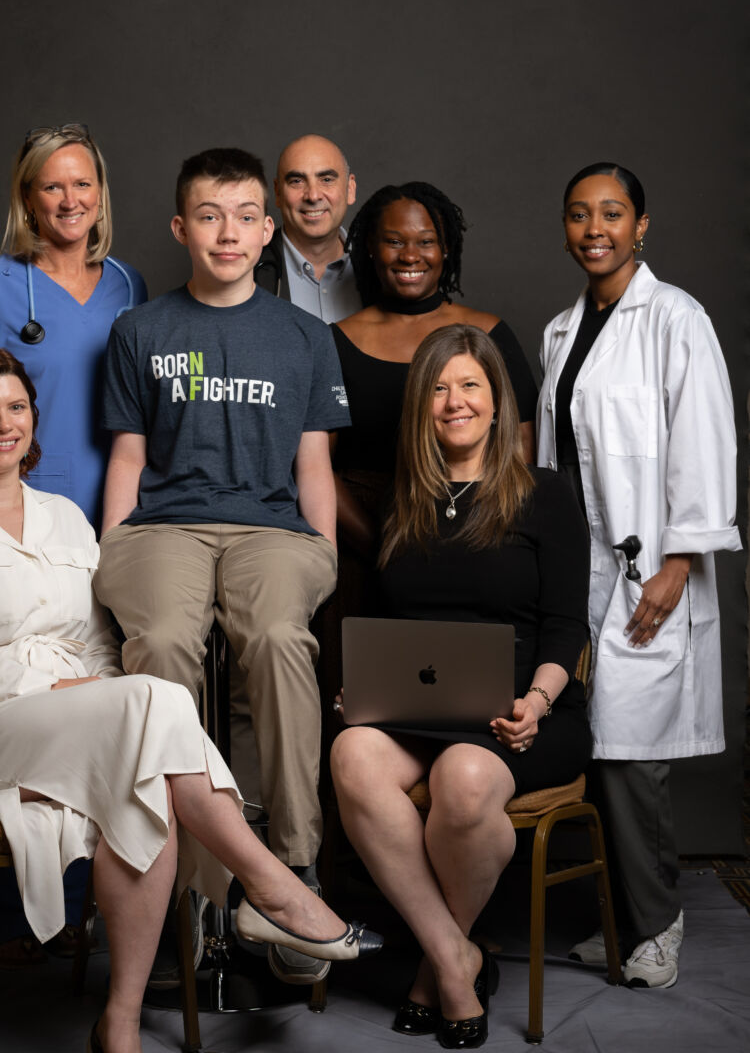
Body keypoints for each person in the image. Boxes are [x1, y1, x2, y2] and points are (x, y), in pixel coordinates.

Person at [0, 346, 381, 1053]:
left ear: (32, 418)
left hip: (68, 721)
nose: (2, 425)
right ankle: (270, 885)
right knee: (152, 704)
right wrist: (50, 684)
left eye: (16, 408)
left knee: (147, 771)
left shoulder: (65, 520)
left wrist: (87, 690)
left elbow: (97, 645)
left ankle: (120, 1020)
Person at [93, 147, 351, 986]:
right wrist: (112, 548)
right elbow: (128, 456)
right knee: (164, 644)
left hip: (272, 532)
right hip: (163, 528)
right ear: (180, 228)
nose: (228, 232)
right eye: (209, 215)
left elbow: (315, 465)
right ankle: (182, 882)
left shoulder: (305, 337)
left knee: (277, 637)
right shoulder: (140, 332)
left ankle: (294, 870)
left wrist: (324, 555)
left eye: (245, 216)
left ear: (268, 230)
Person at [331, 325, 591, 1049]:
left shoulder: (546, 495)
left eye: (470, 385)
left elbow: (567, 627)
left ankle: (431, 973)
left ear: (497, 399)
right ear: (422, 406)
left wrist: (535, 703)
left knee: (466, 775)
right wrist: (369, 695)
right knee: (352, 754)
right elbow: (393, 623)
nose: (455, 401)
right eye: (440, 388)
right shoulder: (403, 502)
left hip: (523, 710)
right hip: (423, 708)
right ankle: (454, 958)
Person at [537, 162, 740, 989]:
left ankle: (657, 926)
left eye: (612, 214)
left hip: (646, 572)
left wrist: (679, 562)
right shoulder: (562, 329)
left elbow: (705, 445)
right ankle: (626, 922)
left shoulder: (677, 318)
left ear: (642, 225)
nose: (596, 229)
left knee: (632, 762)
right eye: (580, 214)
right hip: (575, 573)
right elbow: (555, 461)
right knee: (589, 746)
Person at [0, 122, 147, 529]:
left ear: (100, 195)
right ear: (27, 198)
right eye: (51, 188)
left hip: (122, 495)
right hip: (24, 494)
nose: (70, 202)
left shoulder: (129, 285)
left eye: (82, 184)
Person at [333, 182, 538, 559]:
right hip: (362, 533)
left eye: (425, 241)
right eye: (394, 241)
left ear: (446, 249)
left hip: (477, 526)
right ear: (370, 249)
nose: (410, 256)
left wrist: (487, 525)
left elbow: (521, 447)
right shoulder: (335, 341)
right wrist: (377, 547)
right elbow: (316, 466)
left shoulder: (487, 333)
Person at [254, 133, 360, 321]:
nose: (313, 196)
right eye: (297, 181)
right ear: (278, 193)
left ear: (350, 189)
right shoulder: (247, 270)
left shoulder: (379, 266)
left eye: (326, 179)